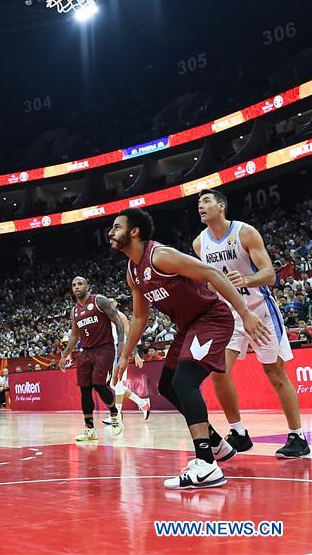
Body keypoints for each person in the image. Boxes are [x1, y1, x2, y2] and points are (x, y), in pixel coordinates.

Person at [109, 208, 271, 490]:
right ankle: (218, 445)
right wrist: (124, 355)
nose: (110, 232)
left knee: (185, 382)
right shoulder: (133, 272)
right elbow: (139, 317)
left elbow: (210, 272)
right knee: (169, 386)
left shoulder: (160, 256)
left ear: (134, 232)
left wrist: (244, 313)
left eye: (116, 227)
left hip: (212, 318)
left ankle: (207, 464)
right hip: (189, 327)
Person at [193, 189, 308, 458]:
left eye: (207, 201)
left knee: (276, 374)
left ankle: (298, 437)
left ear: (221, 206)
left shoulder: (244, 233)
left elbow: (270, 275)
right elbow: (208, 280)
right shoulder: (200, 244)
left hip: (260, 310)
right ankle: (239, 433)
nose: (201, 206)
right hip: (229, 315)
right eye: (199, 203)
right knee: (219, 372)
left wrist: (246, 280)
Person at [58, 277, 125, 441]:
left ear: (87, 286)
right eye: (73, 285)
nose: (76, 287)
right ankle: (89, 428)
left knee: (99, 384)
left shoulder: (99, 301)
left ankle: (115, 415)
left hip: (104, 348)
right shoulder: (74, 310)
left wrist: (122, 343)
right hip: (85, 352)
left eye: (80, 284)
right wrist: (65, 354)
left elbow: (117, 321)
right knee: (85, 389)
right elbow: (74, 335)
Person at [102, 298, 151, 425]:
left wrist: (135, 354)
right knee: (114, 385)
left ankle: (116, 415)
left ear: (116, 304)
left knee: (117, 384)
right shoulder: (108, 319)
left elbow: (130, 335)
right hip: (111, 353)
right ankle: (142, 403)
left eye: (112, 302)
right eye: (108, 302)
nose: (110, 304)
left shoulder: (121, 316)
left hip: (121, 352)